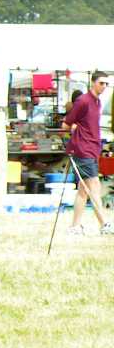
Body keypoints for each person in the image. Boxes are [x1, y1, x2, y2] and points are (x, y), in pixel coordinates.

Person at [62, 70, 113, 235]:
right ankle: (104, 224)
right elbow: (66, 125)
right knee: (94, 186)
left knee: (83, 190)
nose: (104, 86)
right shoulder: (83, 101)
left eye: (106, 83)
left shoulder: (97, 102)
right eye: (101, 83)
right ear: (93, 82)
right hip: (82, 149)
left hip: (92, 149)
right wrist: (74, 129)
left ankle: (75, 227)